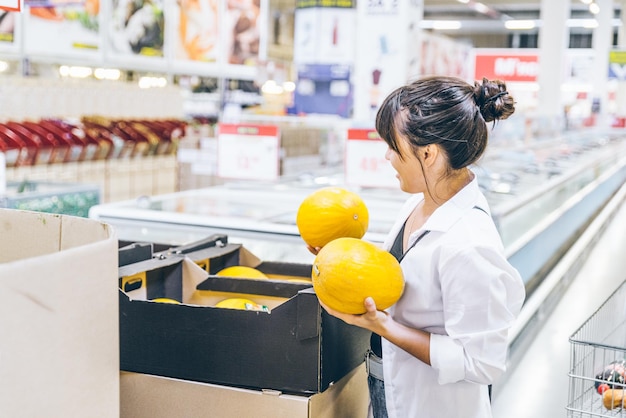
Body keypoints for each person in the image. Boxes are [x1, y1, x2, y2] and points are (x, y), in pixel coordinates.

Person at [316, 76, 526, 418]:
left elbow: (481, 362)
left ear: (428, 154)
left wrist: (383, 328)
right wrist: (339, 257)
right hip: (388, 389)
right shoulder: (422, 202)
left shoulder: (468, 244)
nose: (387, 156)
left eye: (393, 146)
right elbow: (396, 274)